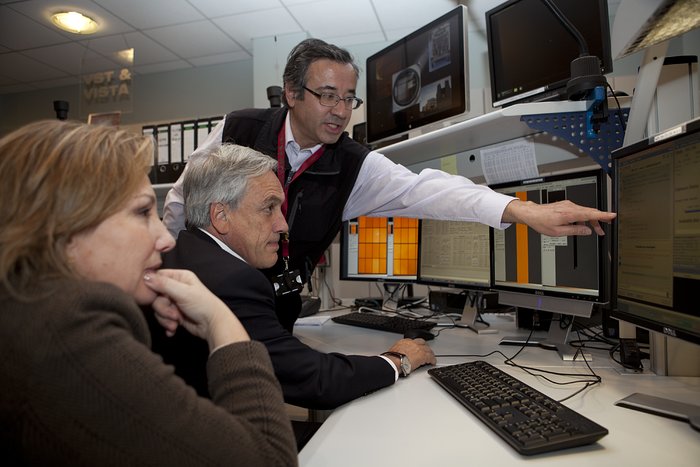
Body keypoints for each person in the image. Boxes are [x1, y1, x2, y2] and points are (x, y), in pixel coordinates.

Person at [163, 38, 617, 331]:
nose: (340, 111)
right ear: (291, 93)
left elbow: (429, 191)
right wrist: (166, 280)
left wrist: (524, 211)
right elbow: (181, 205)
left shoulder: (354, 165)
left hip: (273, 311)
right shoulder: (238, 128)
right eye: (327, 96)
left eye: (348, 98)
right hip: (202, 300)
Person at [0, 120, 297, 466]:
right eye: (143, 212)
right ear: (64, 228)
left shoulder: (25, 310)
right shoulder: (63, 335)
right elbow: (269, 460)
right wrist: (220, 321)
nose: (166, 238)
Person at [151, 143, 436, 414]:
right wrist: (396, 360)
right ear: (221, 215)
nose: (282, 225)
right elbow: (316, 380)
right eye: (268, 208)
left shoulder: (183, 255)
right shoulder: (232, 280)